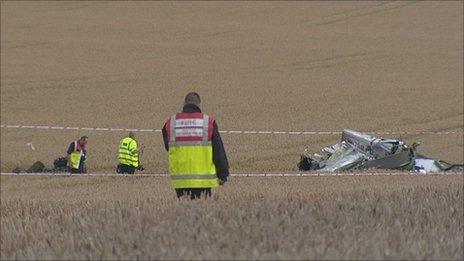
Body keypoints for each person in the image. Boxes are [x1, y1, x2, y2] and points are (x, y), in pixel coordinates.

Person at [162, 92, 229, 199]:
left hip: (180, 181)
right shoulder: (208, 122)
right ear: (199, 104)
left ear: (184, 103)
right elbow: (218, 150)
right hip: (203, 181)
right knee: (201, 213)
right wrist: (223, 174)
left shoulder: (171, 123)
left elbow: (168, 147)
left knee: (183, 213)